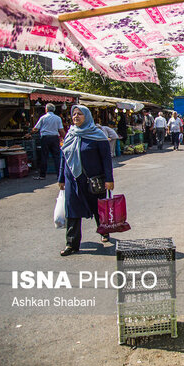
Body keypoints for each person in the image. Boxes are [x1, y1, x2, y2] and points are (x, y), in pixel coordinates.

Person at [58, 105, 114, 256]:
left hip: (93, 181)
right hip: (73, 180)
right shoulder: (70, 135)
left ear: (87, 116)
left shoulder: (97, 135)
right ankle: (72, 244)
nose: (76, 117)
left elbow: (106, 159)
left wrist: (109, 179)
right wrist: (61, 178)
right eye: (74, 114)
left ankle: (104, 232)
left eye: (80, 114)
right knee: (72, 211)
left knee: (98, 209)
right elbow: (64, 158)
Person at [29, 103, 65, 180]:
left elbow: (36, 129)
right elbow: (61, 130)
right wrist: (65, 137)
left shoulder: (43, 118)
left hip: (45, 138)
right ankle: (59, 175)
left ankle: (42, 175)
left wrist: (30, 133)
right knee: (57, 157)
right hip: (55, 138)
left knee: (44, 156)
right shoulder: (57, 118)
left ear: (46, 109)